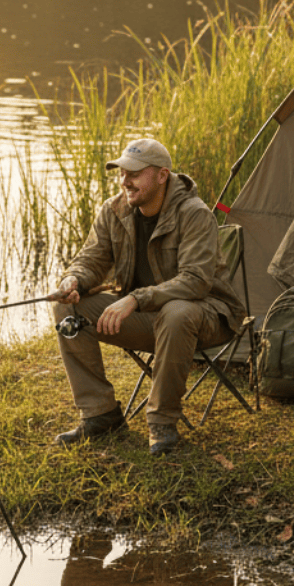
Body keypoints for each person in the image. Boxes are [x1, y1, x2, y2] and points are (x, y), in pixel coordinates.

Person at [47, 137, 245, 456]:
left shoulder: (194, 214)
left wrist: (135, 299)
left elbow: (195, 282)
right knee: (68, 308)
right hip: (149, 321)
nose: (125, 180)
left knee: (177, 312)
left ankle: (163, 421)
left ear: (162, 175)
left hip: (206, 319)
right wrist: (73, 280)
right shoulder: (113, 211)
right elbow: (91, 259)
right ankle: (99, 414)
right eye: (121, 172)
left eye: (135, 173)